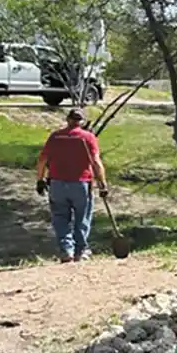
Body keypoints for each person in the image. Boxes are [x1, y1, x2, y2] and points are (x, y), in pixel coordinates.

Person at [36, 108, 108, 262]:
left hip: (57, 183)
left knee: (60, 217)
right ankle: (80, 250)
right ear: (81, 122)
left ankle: (66, 250)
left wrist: (40, 179)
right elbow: (96, 161)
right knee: (82, 217)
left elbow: (42, 159)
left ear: (67, 120)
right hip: (81, 183)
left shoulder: (55, 136)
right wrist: (103, 183)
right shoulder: (88, 137)